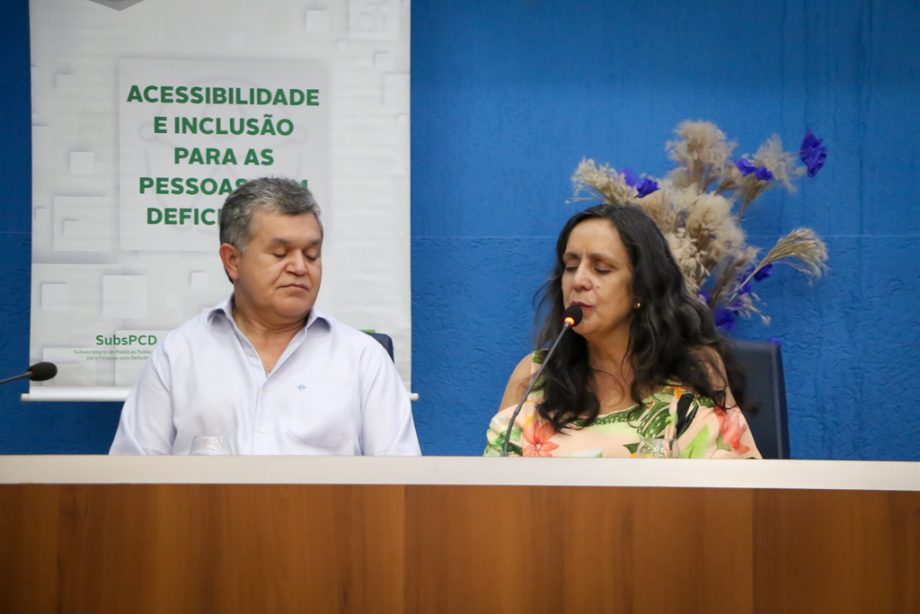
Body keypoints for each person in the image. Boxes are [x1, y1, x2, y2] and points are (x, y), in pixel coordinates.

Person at [111, 177, 420, 455]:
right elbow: (131, 481)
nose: (300, 267)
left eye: (311, 255)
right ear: (232, 261)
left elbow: (401, 486)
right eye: (280, 253)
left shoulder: (363, 359)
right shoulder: (179, 354)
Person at [484, 204, 761, 458]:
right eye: (570, 266)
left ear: (641, 288)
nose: (578, 281)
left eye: (601, 269)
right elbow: (488, 492)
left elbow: (737, 494)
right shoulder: (534, 376)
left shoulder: (693, 372)